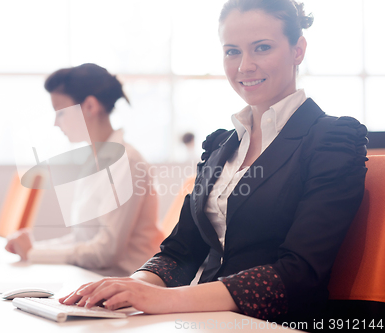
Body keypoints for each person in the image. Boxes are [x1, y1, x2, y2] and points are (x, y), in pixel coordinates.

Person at [59, 0, 368, 324]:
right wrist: (126, 289)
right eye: (232, 51)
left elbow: (298, 273)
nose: (244, 66)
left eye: (262, 48)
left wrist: (163, 299)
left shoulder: (331, 140)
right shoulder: (222, 144)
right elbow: (181, 251)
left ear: (298, 50)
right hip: (208, 319)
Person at [5, 63, 164, 275]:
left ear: (89, 106)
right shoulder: (94, 161)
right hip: (93, 279)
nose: (55, 123)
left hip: (122, 288)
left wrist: (34, 253)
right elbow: (83, 241)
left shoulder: (126, 162)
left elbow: (106, 252)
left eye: (60, 113)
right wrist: (33, 249)